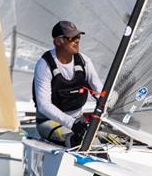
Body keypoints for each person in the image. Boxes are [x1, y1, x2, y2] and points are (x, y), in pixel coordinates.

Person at [33, 20, 103, 148]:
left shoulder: (84, 61)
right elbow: (43, 105)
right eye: (72, 37)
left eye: (78, 37)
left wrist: (107, 102)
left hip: (77, 120)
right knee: (80, 141)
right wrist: (72, 124)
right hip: (50, 122)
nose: (77, 40)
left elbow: (100, 92)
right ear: (58, 42)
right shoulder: (44, 65)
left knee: (96, 142)